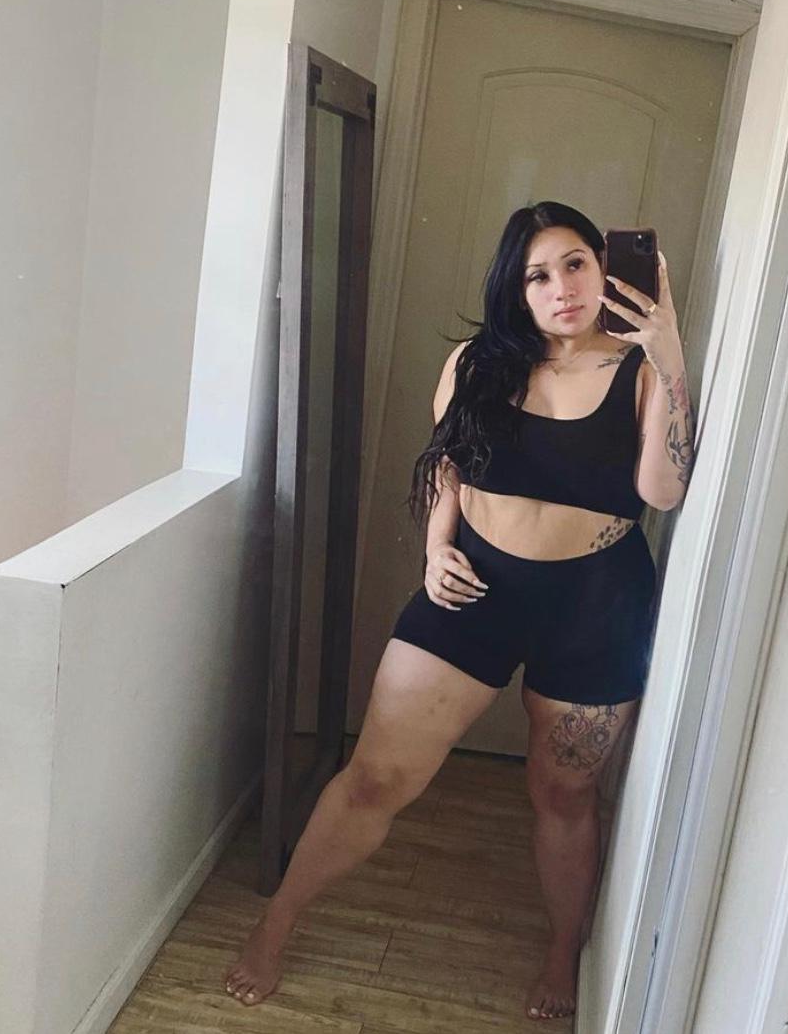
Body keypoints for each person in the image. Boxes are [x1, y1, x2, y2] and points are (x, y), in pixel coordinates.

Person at [225, 201, 695, 1021]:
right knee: (376, 775)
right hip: (474, 587)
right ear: (515, 287)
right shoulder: (478, 363)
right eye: (537, 275)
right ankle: (276, 924)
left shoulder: (642, 370)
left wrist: (670, 352)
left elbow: (663, 490)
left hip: (596, 602)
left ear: (603, 267)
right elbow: (449, 463)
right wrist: (435, 547)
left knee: (564, 794)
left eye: (575, 264)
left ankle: (562, 951)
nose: (561, 288)